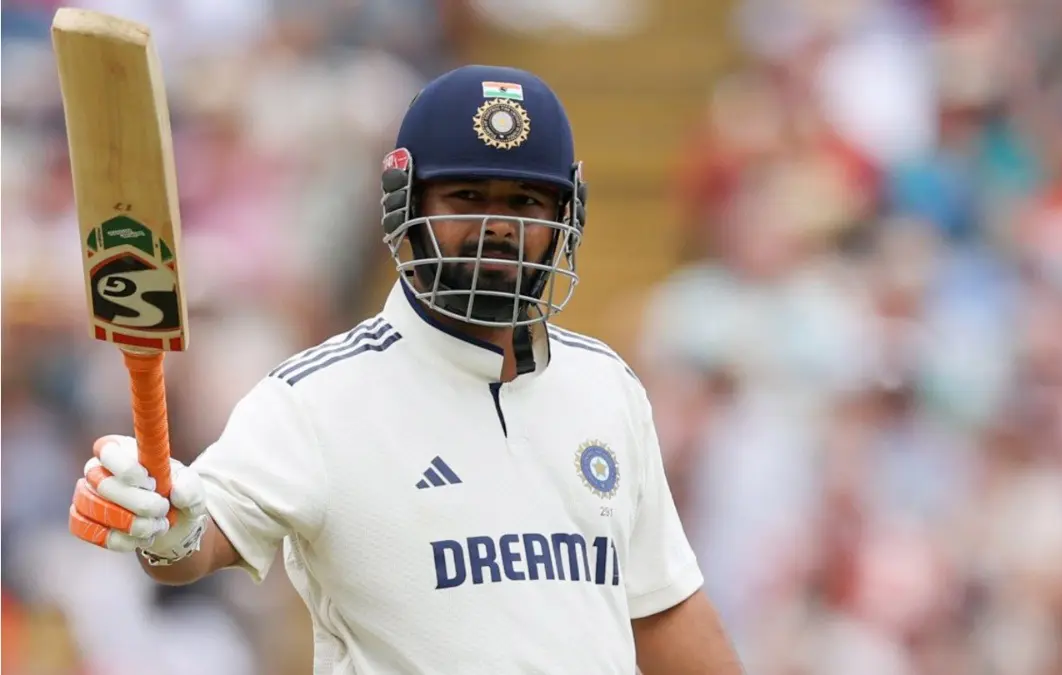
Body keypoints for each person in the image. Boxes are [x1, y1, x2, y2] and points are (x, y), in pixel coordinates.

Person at [67, 64, 744, 674]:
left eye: (525, 203)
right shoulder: (317, 397)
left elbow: (662, 610)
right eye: (468, 197)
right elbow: (200, 541)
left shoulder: (609, 387)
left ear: (566, 217)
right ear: (406, 207)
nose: (496, 227)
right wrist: (166, 521)